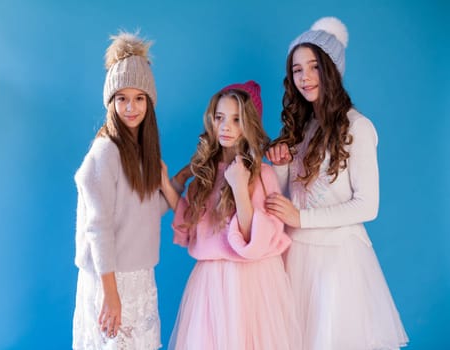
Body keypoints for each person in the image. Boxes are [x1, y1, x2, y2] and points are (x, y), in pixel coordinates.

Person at [265, 17, 409, 350]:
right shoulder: (303, 126)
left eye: (314, 66)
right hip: (296, 253)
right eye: (297, 69)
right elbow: (293, 196)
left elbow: (367, 205)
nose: (305, 77)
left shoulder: (357, 127)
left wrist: (301, 219)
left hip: (336, 260)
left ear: (332, 69)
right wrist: (283, 166)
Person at [161, 81, 302, 350]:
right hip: (211, 283)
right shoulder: (205, 176)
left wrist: (239, 187)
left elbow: (254, 242)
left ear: (249, 124)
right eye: (220, 117)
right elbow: (191, 226)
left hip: (252, 282)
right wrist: (166, 183)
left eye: (236, 120)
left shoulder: (263, 175)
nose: (226, 127)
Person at [72, 31, 169, 350]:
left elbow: (143, 214)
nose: (131, 107)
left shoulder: (141, 152)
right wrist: (111, 295)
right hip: (111, 278)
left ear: (149, 102)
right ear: (111, 101)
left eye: (139, 98)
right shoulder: (105, 152)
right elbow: (99, 228)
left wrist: (172, 182)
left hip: (139, 277)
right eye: (122, 98)